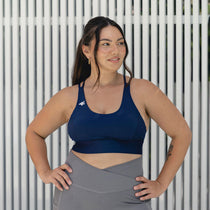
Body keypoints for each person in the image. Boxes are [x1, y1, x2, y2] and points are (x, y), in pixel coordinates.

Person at [25, 16, 192, 210]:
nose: (116, 50)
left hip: (129, 197)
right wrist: (45, 172)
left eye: (120, 43)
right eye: (106, 44)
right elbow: (34, 133)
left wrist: (161, 183)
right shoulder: (68, 97)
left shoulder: (143, 91)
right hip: (75, 195)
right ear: (86, 51)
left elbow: (182, 134)